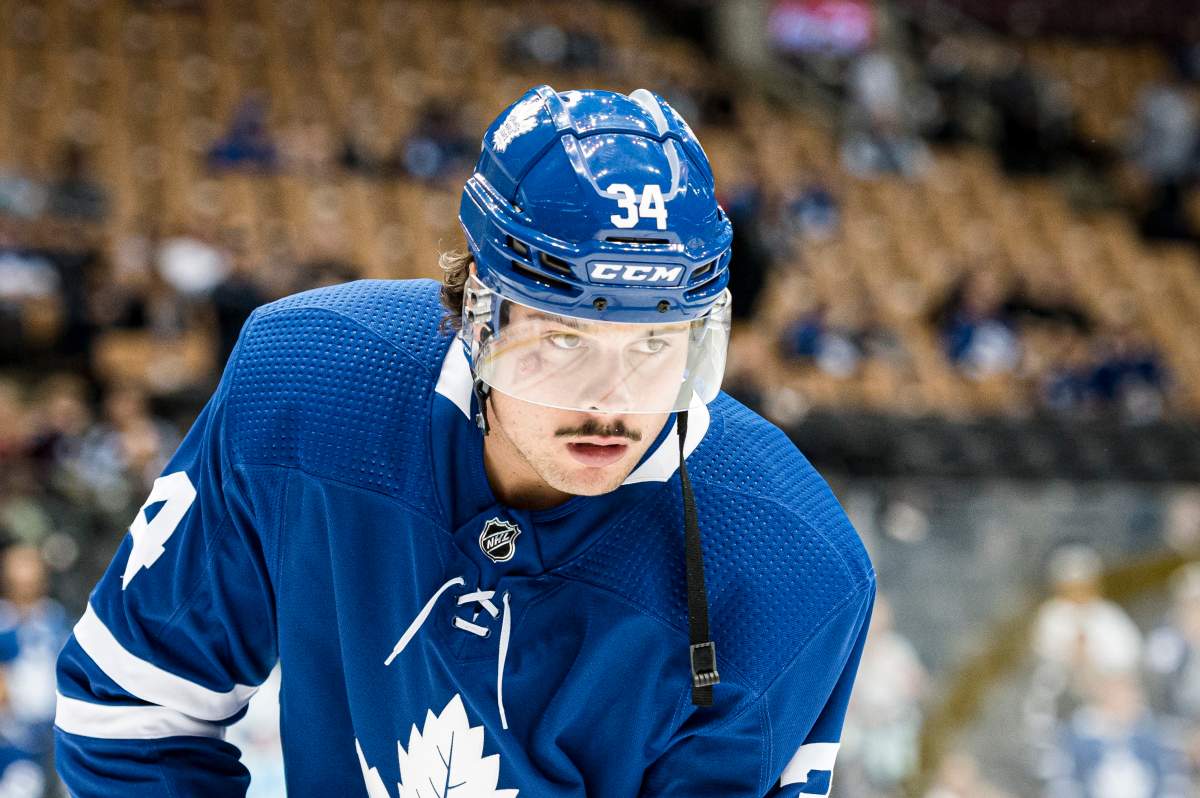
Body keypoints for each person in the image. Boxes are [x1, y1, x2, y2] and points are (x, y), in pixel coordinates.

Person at [54, 86, 875, 796]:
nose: (611, 403)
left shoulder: (790, 569)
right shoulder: (305, 383)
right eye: (565, 341)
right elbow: (129, 709)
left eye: (655, 347)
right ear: (481, 316)